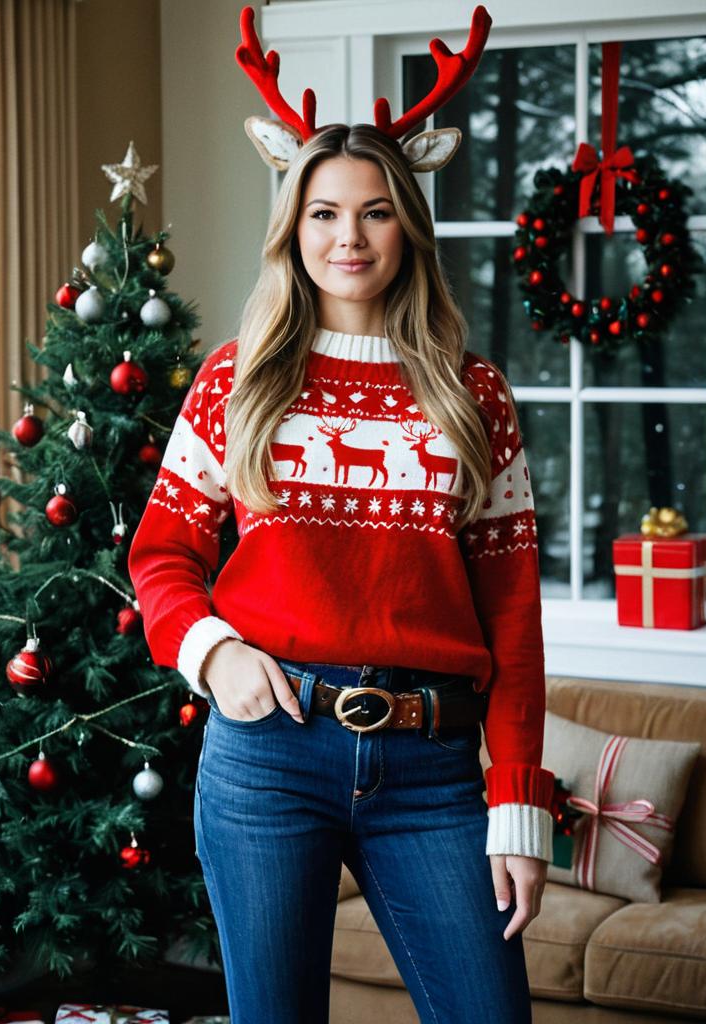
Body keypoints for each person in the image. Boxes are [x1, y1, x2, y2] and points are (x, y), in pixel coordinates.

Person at [128, 6, 555, 1022]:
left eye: (372, 211)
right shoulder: (238, 382)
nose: (347, 236)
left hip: (433, 765)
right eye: (322, 211)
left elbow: (514, 619)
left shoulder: (472, 392)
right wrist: (215, 655)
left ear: (408, 223)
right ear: (294, 225)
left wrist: (518, 803)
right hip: (268, 754)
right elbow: (160, 556)